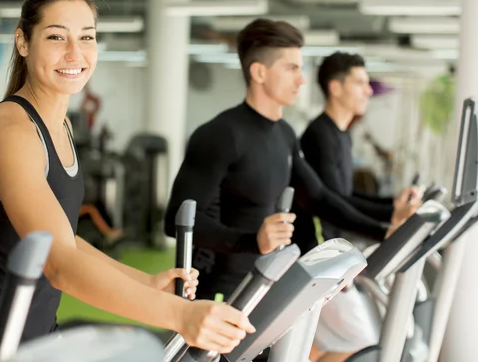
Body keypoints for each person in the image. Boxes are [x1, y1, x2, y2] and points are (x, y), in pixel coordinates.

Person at [0, 0, 254, 362]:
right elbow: (58, 262)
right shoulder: (10, 128)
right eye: (57, 37)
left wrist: (144, 281)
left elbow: (64, 238)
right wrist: (181, 315)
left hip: (36, 336)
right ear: (23, 42)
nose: (75, 53)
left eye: (88, 37)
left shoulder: (59, 125)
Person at [163, 18, 419, 361]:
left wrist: (385, 229)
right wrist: (251, 240)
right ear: (259, 72)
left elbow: (322, 197)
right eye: (292, 68)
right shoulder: (220, 135)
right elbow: (175, 221)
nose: (302, 79)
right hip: (220, 291)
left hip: (267, 283)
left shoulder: (284, 134)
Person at [295, 51, 422, 245]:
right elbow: (332, 199)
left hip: (333, 239)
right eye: (360, 83)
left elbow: (346, 193)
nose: (369, 91)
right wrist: (388, 218)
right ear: (335, 88)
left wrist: (392, 204)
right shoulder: (319, 135)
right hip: (316, 243)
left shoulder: (341, 134)